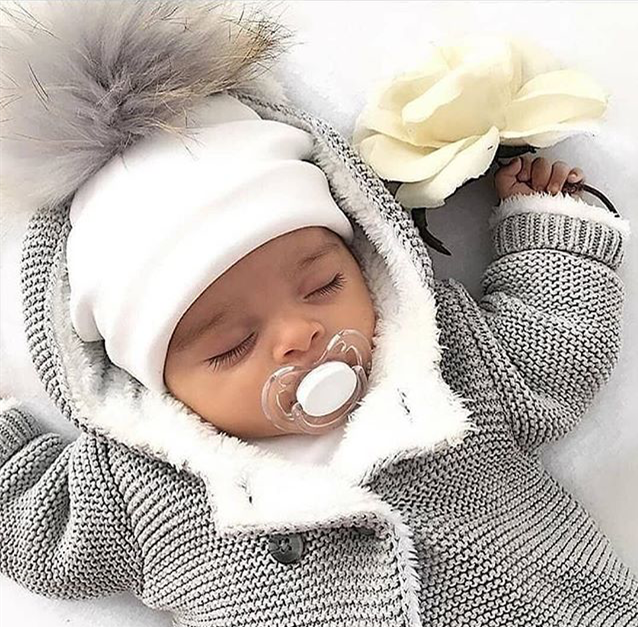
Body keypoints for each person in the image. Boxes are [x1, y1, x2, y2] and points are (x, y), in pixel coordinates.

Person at [1, 2, 636, 626]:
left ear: (366, 256)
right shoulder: (138, 489)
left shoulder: (443, 361)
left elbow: (554, 354)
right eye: (230, 345)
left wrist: (548, 234)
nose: (299, 333)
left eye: (324, 285)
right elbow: (35, 531)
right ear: (152, 380)